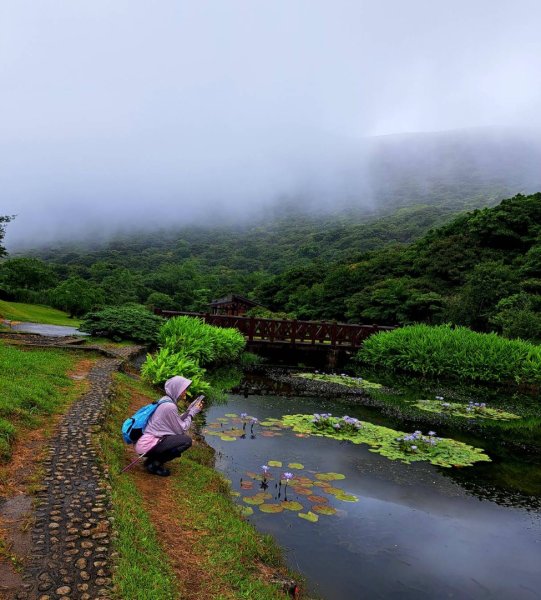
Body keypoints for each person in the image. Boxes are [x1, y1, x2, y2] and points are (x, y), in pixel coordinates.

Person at [135, 375, 203, 476]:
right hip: (147, 445)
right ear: (176, 389)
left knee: (177, 439)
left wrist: (189, 410)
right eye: (184, 389)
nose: (185, 392)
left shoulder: (166, 400)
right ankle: (154, 464)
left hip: (145, 441)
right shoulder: (170, 406)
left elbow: (175, 421)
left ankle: (151, 460)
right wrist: (192, 413)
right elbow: (181, 429)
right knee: (186, 441)